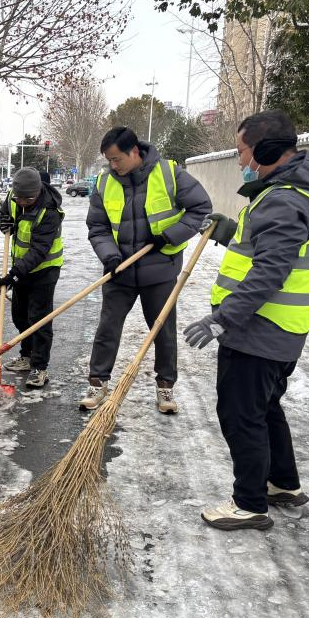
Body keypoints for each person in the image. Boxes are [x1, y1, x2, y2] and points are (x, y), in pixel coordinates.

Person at [185, 110, 309, 531]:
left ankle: (249, 503)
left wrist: (223, 319)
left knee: (241, 414)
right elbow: (270, 248)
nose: (240, 161)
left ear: (267, 150)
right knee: (266, 408)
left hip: (259, 332)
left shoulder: (286, 198)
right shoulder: (298, 193)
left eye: (242, 151)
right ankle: (282, 483)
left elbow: (269, 272)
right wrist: (228, 231)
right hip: (281, 331)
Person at [82, 126, 212, 414]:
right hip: (120, 271)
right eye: (109, 161)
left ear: (134, 152)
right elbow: (98, 227)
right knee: (107, 328)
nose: (113, 166)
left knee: (163, 331)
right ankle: (97, 382)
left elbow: (200, 207)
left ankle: (165, 387)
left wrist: (170, 235)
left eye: (117, 159)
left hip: (160, 269)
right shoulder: (105, 182)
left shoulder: (169, 173)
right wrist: (110, 256)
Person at [0, 167, 64, 389]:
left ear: (38, 191)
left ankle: (39, 367)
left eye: (28, 198)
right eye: (19, 198)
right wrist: (4, 223)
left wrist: (13, 274)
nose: (22, 202)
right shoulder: (12, 197)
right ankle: (26, 356)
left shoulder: (50, 211)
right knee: (20, 316)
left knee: (39, 320)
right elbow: (5, 213)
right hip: (22, 267)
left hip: (44, 269)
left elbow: (39, 250)